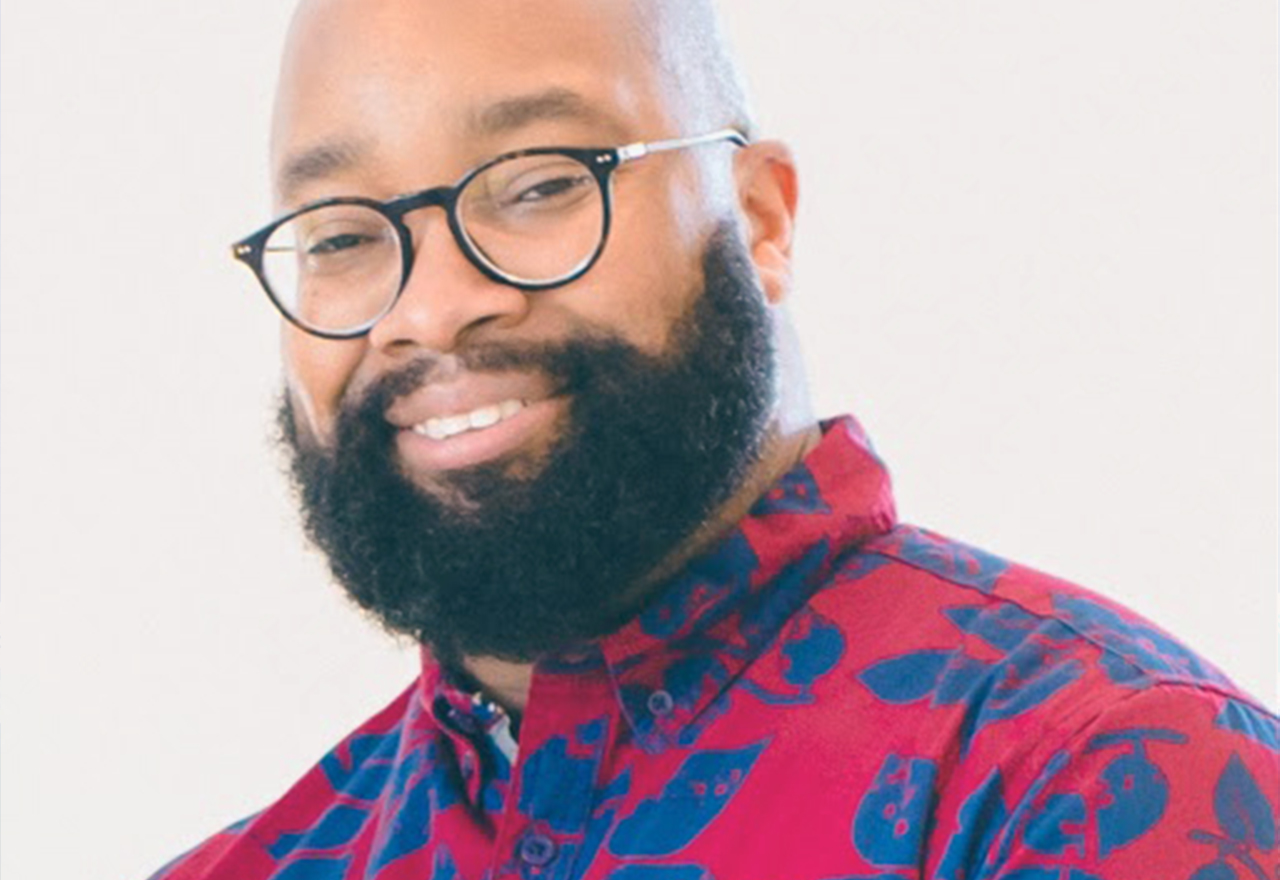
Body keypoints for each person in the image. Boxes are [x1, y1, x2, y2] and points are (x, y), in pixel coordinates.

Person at [152, 1, 1279, 877]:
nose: (432, 305)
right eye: (342, 234)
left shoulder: (1093, 781)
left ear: (759, 216)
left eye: (540, 185)